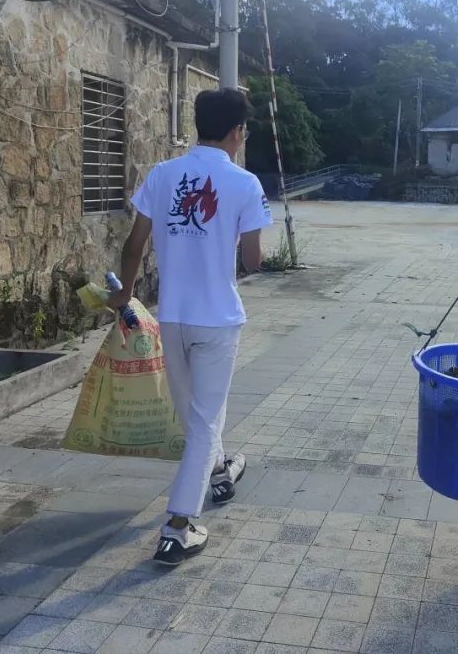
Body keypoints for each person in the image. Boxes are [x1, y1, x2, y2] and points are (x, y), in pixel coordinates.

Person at [110, 88, 272, 566]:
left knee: (195, 416)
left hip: (173, 318)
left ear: (200, 123)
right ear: (238, 132)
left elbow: (134, 244)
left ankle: (220, 471)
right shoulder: (245, 183)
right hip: (218, 320)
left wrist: (124, 296)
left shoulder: (163, 175)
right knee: (204, 421)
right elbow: (253, 259)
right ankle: (178, 527)